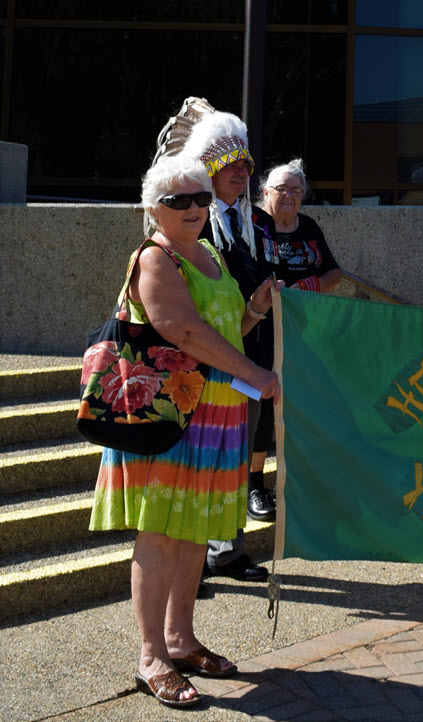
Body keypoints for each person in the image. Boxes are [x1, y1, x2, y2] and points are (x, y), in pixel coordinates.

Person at [88, 155, 279, 708]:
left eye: (199, 198)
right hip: (168, 417)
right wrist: (256, 374)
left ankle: (181, 638)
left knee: (195, 530)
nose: (194, 208)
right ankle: (151, 656)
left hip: (214, 413)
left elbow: (222, 328)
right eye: (179, 201)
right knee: (161, 533)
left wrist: (254, 314)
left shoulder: (211, 254)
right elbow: (181, 330)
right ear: (154, 209)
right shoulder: (155, 257)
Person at [180, 109, 279, 590]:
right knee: (201, 458)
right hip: (203, 354)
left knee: (238, 455)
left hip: (250, 344)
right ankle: (189, 562)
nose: (242, 171)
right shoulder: (190, 221)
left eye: (246, 163)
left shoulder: (256, 219)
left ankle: (227, 550)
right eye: (231, 164)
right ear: (209, 168)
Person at [248, 158, 342, 501]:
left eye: (296, 190)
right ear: (265, 191)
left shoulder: (309, 228)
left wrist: (308, 287)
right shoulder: (252, 223)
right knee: (261, 407)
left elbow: (335, 274)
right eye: (281, 189)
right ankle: (254, 485)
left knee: (295, 406)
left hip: (302, 334)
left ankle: (289, 483)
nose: (288, 196)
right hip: (257, 330)